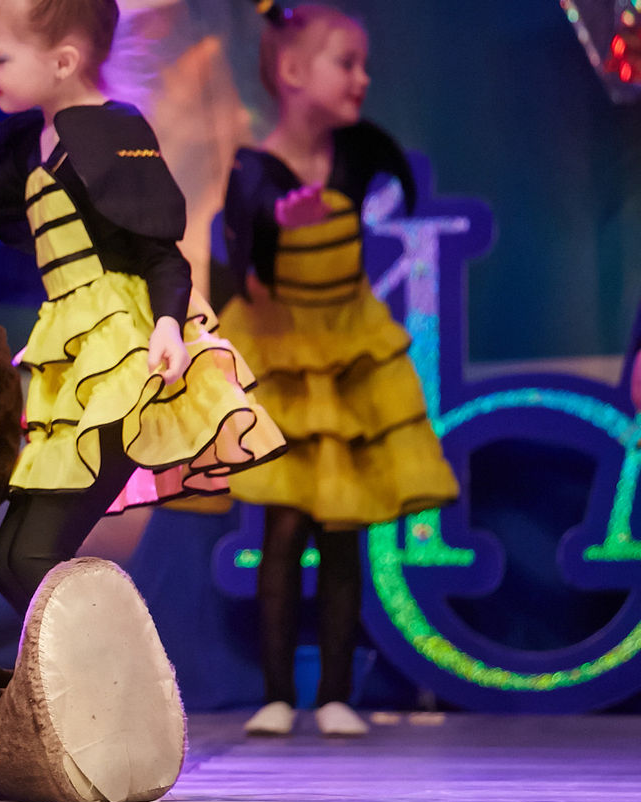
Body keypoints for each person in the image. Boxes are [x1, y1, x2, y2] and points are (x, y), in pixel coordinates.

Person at [0, 0, 285, 618]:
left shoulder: (111, 134)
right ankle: (89, 667)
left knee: (31, 558)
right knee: (9, 561)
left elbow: (161, 253)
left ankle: (114, 666)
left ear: (63, 62)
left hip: (123, 361)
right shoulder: (33, 150)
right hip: (75, 364)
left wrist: (168, 324)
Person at [221, 2, 458, 737]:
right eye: (346, 64)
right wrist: (276, 219)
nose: (362, 79)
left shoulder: (356, 152)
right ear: (294, 72)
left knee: (343, 528)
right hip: (288, 359)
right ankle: (275, 692)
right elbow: (246, 225)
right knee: (285, 526)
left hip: (347, 355)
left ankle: (333, 693)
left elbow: (389, 176)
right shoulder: (255, 169)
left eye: (364, 66)